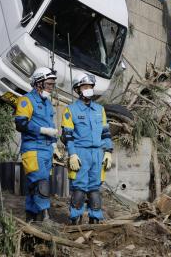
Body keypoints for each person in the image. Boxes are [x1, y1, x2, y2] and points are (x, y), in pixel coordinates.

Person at [61, 73, 113, 224]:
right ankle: (75, 219)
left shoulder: (99, 109)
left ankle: (95, 220)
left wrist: (108, 151)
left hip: (97, 153)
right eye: (85, 87)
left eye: (90, 86)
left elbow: (106, 132)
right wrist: (72, 154)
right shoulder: (70, 110)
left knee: (94, 189)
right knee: (79, 189)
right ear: (78, 89)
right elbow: (68, 136)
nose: (88, 89)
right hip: (80, 153)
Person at [14, 67, 61, 222]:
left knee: (35, 186)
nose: (51, 87)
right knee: (41, 185)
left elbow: (51, 127)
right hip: (33, 149)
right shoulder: (26, 100)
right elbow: (20, 124)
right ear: (38, 82)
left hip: (46, 149)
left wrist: (54, 145)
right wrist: (41, 130)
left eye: (52, 84)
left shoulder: (47, 104)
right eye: (48, 84)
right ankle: (45, 219)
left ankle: (31, 219)